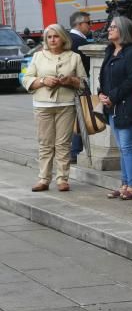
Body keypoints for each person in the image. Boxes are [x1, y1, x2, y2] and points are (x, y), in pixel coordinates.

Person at [22, 24, 87, 192]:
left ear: (63, 38)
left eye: (55, 36)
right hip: (42, 105)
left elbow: (84, 82)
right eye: (49, 37)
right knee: (45, 143)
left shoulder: (74, 57)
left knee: (63, 144)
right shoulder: (38, 56)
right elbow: (27, 79)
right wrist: (43, 81)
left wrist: (70, 81)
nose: (52, 40)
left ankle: (62, 179)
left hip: (66, 105)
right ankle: (43, 178)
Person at [99, 17, 132, 200]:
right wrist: (102, 93)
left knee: (127, 146)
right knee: (121, 147)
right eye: (109, 27)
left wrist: (113, 96)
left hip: (125, 105)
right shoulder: (110, 50)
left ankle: (131, 185)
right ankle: (124, 183)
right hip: (111, 106)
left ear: (123, 30)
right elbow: (104, 75)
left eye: (113, 27)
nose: (109, 30)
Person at [68, 11, 91, 163]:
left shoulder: (65, 38)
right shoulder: (80, 42)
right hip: (79, 83)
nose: (90, 26)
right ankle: (75, 151)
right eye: (88, 23)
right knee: (81, 117)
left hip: (67, 84)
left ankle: (71, 150)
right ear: (79, 24)